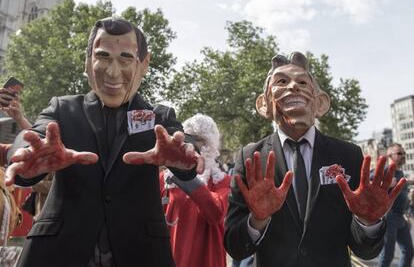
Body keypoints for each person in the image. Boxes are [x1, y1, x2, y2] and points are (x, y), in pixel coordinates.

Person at [4, 17, 202, 267]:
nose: (113, 71)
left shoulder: (159, 118)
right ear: (88, 61)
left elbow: (182, 142)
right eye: (104, 56)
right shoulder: (63, 109)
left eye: (125, 58)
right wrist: (26, 152)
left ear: (144, 64)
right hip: (59, 254)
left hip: (140, 254)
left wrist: (185, 154)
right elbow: (35, 133)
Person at [224, 52, 406, 267]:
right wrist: (258, 220)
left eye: (302, 81)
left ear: (320, 103)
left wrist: (368, 221)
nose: (293, 87)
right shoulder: (250, 158)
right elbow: (234, 246)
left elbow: (365, 251)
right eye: (282, 81)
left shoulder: (348, 155)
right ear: (265, 104)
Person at [160, 113, 231, 267]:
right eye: (190, 138)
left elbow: (215, 213)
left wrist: (186, 177)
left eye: (201, 139)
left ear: (212, 144)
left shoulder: (223, 181)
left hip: (207, 258)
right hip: (171, 256)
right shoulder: (164, 179)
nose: (196, 145)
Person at [377, 143, 413, 267]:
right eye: (399, 153)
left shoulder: (400, 172)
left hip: (401, 217)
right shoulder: (384, 171)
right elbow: (368, 183)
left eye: (404, 153)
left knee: (408, 251)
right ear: (389, 156)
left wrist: (407, 213)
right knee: (387, 255)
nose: (403, 156)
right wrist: (384, 183)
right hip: (389, 216)